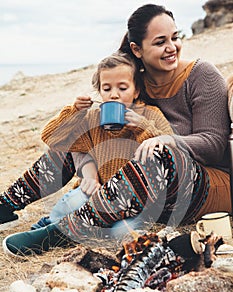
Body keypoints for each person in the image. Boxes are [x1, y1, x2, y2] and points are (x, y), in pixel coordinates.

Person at [2, 3, 231, 258]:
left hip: (206, 186)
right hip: (146, 190)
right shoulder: (130, 83)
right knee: (76, 135)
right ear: (137, 49)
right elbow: (86, 139)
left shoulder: (201, 75)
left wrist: (165, 139)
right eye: (160, 42)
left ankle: (63, 232)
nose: (171, 47)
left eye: (175, 38)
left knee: (158, 152)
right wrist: (89, 170)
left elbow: (214, 145)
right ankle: (8, 203)